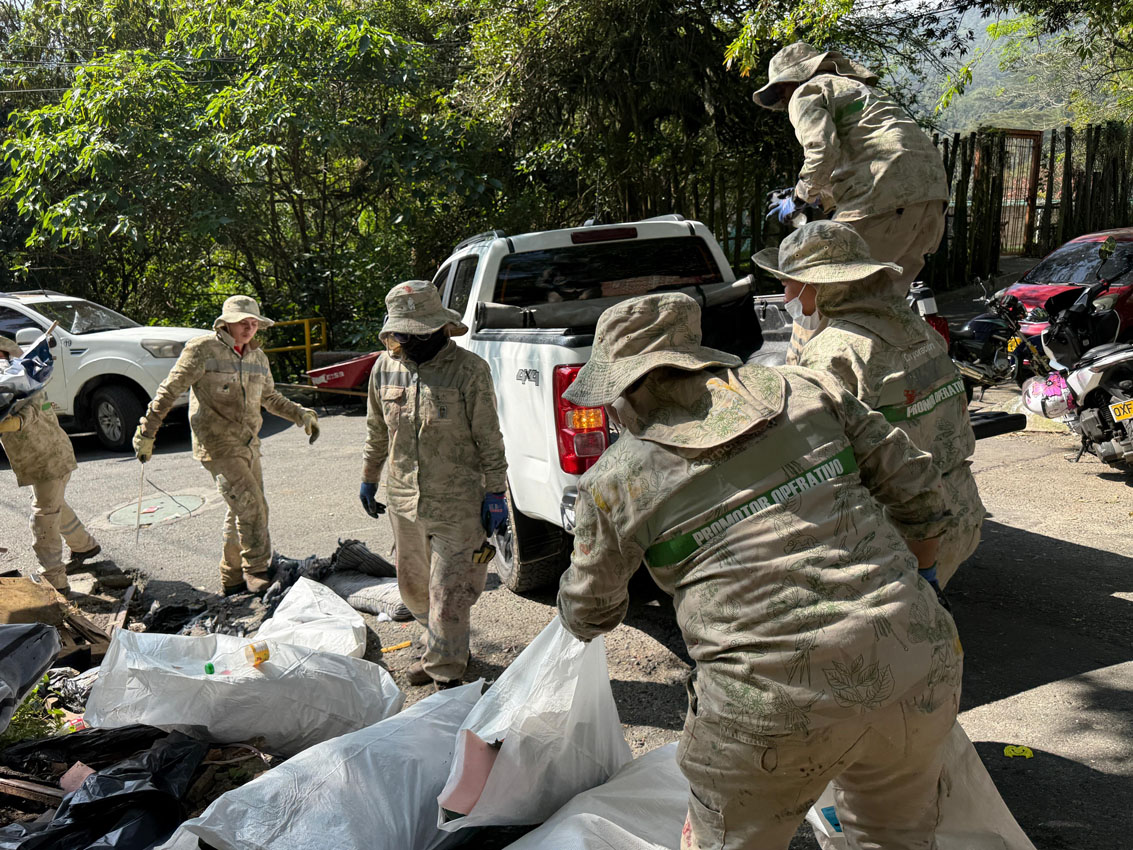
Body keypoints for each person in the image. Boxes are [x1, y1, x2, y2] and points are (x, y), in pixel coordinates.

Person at [555, 293, 963, 850]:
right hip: (917, 662)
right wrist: (920, 583)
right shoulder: (807, 391)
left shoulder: (617, 480)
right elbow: (918, 487)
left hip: (767, 713)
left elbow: (590, 610)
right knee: (897, 839)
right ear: (703, 360)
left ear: (628, 390)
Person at [759, 220, 985, 587]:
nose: (786, 297)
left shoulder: (835, 351)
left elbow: (815, 462)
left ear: (820, 282)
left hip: (897, 532)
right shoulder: (917, 328)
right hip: (958, 511)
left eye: (788, 282)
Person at [756, 42, 950, 363]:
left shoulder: (807, 91)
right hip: (930, 198)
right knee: (884, 306)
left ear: (791, 81)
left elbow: (821, 150)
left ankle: (804, 388)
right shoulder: (860, 92)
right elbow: (859, 161)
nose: (783, 100)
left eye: (780, 93)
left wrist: (800, 198)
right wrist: (815, 195)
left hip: (882, 195)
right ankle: (910, 385)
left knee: (820, 294)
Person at [360, 280, 508, 691]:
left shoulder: (469, 371)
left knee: (451, 595)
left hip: (459, 506)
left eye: (419, 332)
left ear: (440, 327)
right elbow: (376, 431)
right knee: (414, 590)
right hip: (404, 501)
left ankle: (448, 676)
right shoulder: (384, 368)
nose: (411, 341)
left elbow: (489, 435)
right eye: (404, 333)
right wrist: (369, 478)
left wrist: (496, 491)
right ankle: (442, 647)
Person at [132, 296, 320, 595]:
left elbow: (270, 398)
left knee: (240, 509)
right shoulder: (202, 350)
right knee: (251, 506)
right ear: (226, 322)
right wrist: (147, 431)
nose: (249, 328)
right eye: (243, 322)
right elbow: (170, 391)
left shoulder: (258, 358)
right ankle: (256, 569)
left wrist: (301, 414)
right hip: (216, 443)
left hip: (248, 442)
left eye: (254, 323)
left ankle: (231, 577)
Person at [0, 336, 100, 594]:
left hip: (50, 459)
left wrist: (11, 423)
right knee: (56, 506)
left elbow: (34, 411)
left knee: (43, 517)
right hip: (37, 462)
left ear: (7, 355)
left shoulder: (28, 380)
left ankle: (55, 581)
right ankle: (85, 545)